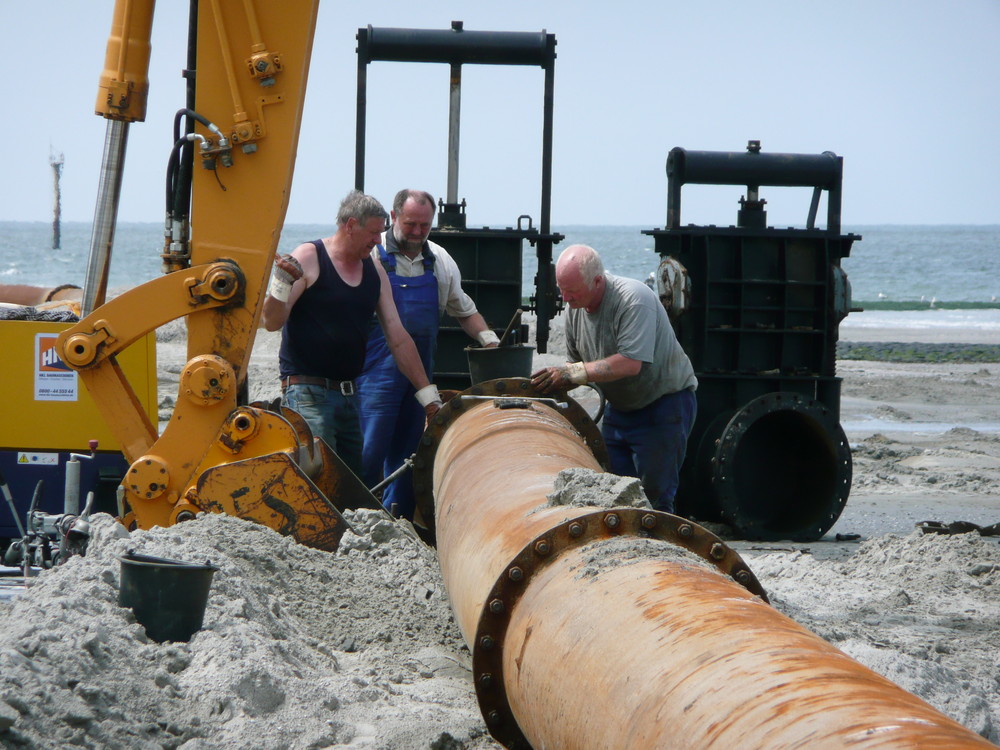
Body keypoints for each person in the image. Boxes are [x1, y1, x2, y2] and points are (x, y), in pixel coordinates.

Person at [261, 190, 442, 479]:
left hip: (350, 396)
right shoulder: (309, 256)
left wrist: (428, 396)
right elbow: (271, 321)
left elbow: (398, 336)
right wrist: (282, 283)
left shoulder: (373, 269)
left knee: (351, 480)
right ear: (350, 225)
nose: (377, 241)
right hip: (307, 393)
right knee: (320, 476)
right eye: (372, 233)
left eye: (380, 233)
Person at [356, 189, 499, 519]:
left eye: (425, 225)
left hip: (418, 376)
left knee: (410, 453)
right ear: (393, 218)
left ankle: (398, 519)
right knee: (369, 450)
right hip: (375, 378)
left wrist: (490, 341)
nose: (418, 232)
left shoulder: (440, 260)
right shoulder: (372, 256)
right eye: (410, 224)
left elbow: (463, 309)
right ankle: (357, 517)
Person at [530, 244, 697, 514]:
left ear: (597, 281)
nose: (565, 297)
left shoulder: (633, 299)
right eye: (561, 288)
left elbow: (631, 363)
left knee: (656, 497)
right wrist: (552, 384)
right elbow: (577, 367)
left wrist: (572, 372)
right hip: (619, 409)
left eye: (571, 290)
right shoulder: (575, 308)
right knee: (613, 491)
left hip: (663, 405)